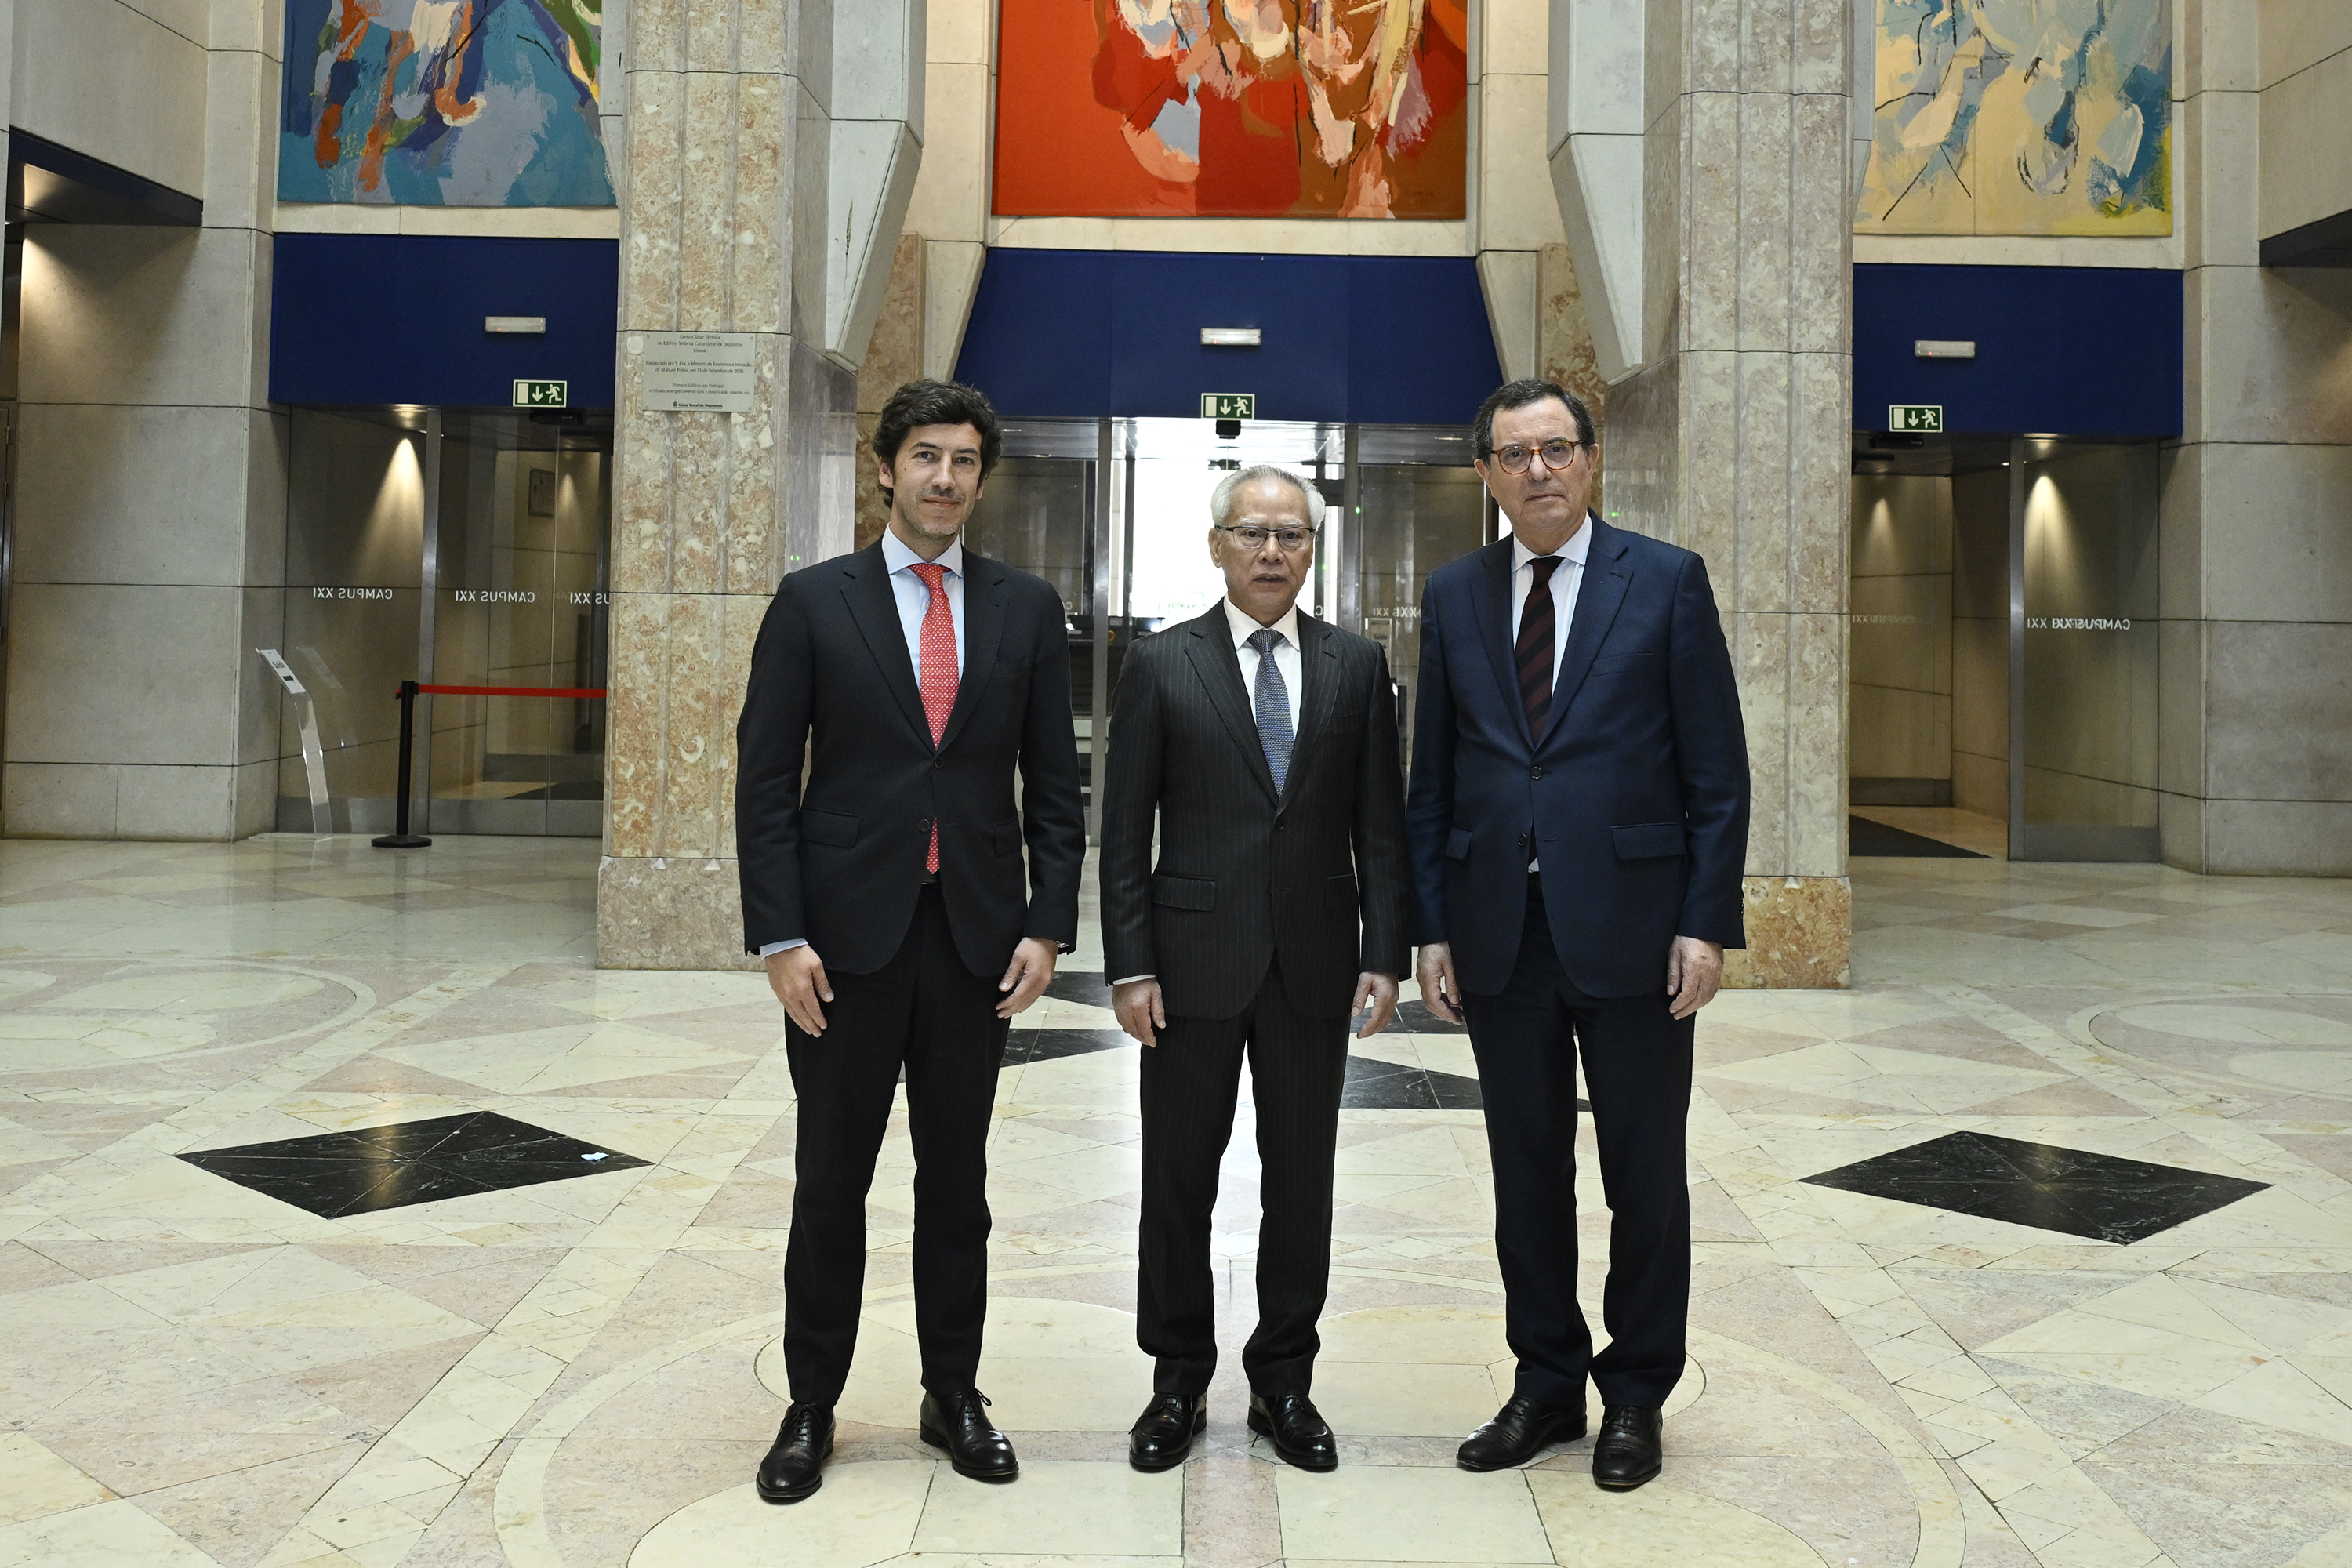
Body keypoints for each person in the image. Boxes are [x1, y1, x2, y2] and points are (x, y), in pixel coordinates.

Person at [735, 379, 1087, 1503]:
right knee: (830, 1184)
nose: (945, 477)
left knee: (958, 1185)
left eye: (965, 460)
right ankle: (812, 1405)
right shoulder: (814, 601)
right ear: (886, 468)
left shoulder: (1026, 607)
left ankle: (953, 1395)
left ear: (983, 478)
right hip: (842, 949)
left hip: (975, 942)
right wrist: (780, 935)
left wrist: (1048, 923)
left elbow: (1056, 786)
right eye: (926, 456)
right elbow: (763, 782)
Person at [1406, 379, 1748, 1490]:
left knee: (1644, 1176)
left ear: (1591, 460)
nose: (1538, 471)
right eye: (1515, 455)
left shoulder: (1666, 580)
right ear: (1486, 474)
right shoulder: (1455, 593)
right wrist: (1432, 926)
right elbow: (1433, 777)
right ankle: (1546, 1382)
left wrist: (1705, 922)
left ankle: (1636, 1392)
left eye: (1556, 449)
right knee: (1526, 1175)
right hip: (1500, 934)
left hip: (1637, 934)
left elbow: (1717, 773)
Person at [1099, 464, 1410, 1474]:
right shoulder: (1162, 663)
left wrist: (1383, 954)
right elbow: (1124, 829)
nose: (1272, 552)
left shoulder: (1356, 666)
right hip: (1189, 965)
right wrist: (1130, 964)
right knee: (1177, 1178)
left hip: (1314, 965)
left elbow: (1381, 826)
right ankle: (1177, 1378)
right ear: (1218, 545)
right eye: (1253, 534)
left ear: (1313, 549)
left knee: (1302, 1181)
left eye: (1292, 536)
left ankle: (1284, 1380)